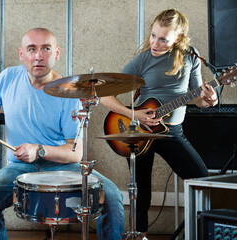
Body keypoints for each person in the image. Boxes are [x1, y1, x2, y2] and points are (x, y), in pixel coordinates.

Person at [0, 28, 124, 240]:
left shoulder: (69, 92)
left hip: (61, 165)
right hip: (18, 167)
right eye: (32, 49)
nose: (38, 56)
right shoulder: (8, 78)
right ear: (22, 54)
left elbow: (75, 154)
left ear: (56, 53)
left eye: (45, 49)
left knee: (112, 196)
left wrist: (38, 150)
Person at [100, 9, 218, 236]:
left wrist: (210, 100)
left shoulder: (191, 56)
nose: (155, 43)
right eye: (153, 35)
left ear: (178, 39)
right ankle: (139, 235)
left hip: (172, 132)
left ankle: (205, 232)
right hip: (140, 132)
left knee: (202, 183)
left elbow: (196, 98)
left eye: (163, 39)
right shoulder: (143, 59)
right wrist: (133, 114)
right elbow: (105, 95)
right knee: (141, 193)